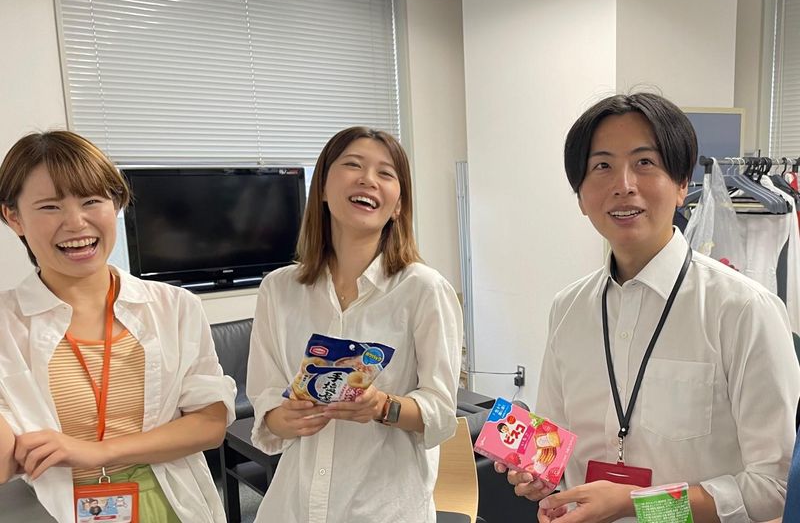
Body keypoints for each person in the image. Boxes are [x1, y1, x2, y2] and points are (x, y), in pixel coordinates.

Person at [498, 93, 800, 523]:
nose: (624, 184)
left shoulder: (744, 310)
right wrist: (539, 475)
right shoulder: (568, 309)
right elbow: (555, 448)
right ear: (580, 196)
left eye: (644, 162)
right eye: (602, 166)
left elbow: (775, 488)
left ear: (681, 185)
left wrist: (637, 505)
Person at [0, 130, 236, 522]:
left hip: (170, 503)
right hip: (55, 509)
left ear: (116, 204)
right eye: (50, 207)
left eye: (92, 201)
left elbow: (209, 425)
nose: (76, 223)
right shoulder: (6, 324)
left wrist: (98, 451)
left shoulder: (174, 306)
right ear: (14, 217)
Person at [247, 126, 463, 523]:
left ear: (398, 205)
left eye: (385, 173)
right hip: (293, 506)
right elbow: (265, 397)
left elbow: (441, 412)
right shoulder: (279, 289)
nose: (368, 179)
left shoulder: (424, 289)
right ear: (323, 187)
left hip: (385, 508)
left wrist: (382, 406)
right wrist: (285, 417)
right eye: (353, 165)